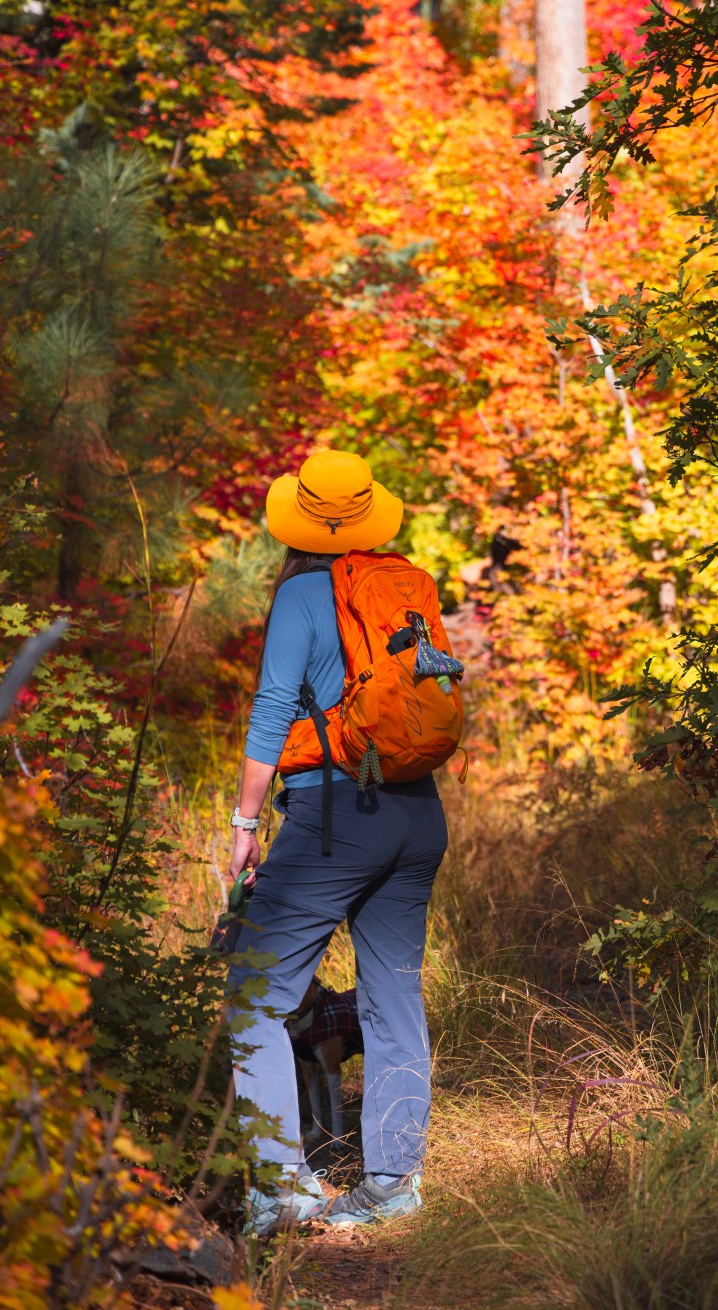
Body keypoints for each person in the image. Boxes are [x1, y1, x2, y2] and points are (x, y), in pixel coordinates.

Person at [227, 448, 449, 1236]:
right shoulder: (400, 594)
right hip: (417, 815)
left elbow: (270, 715)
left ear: (300, 519)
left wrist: (246, 826)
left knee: (255, 996)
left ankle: (279, 1186)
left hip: (332, 819)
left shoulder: (299, 598)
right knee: (392, 996)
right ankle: (390, 1185)